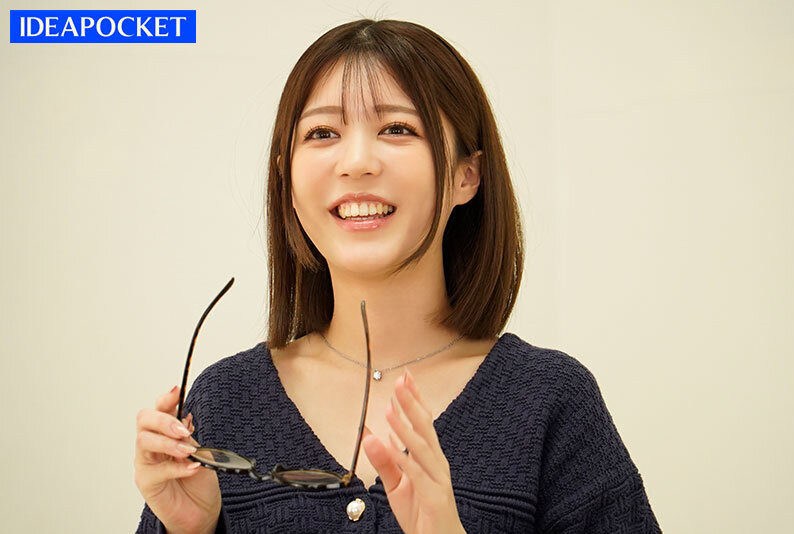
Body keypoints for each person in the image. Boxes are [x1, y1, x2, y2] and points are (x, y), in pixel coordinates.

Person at [134, 18, 661, 534]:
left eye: (397, 129)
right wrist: (189, 531)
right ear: (286, 180)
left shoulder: (548, 399)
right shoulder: (223, 403)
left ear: (466, 175)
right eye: (322, 133)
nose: (356, 162)